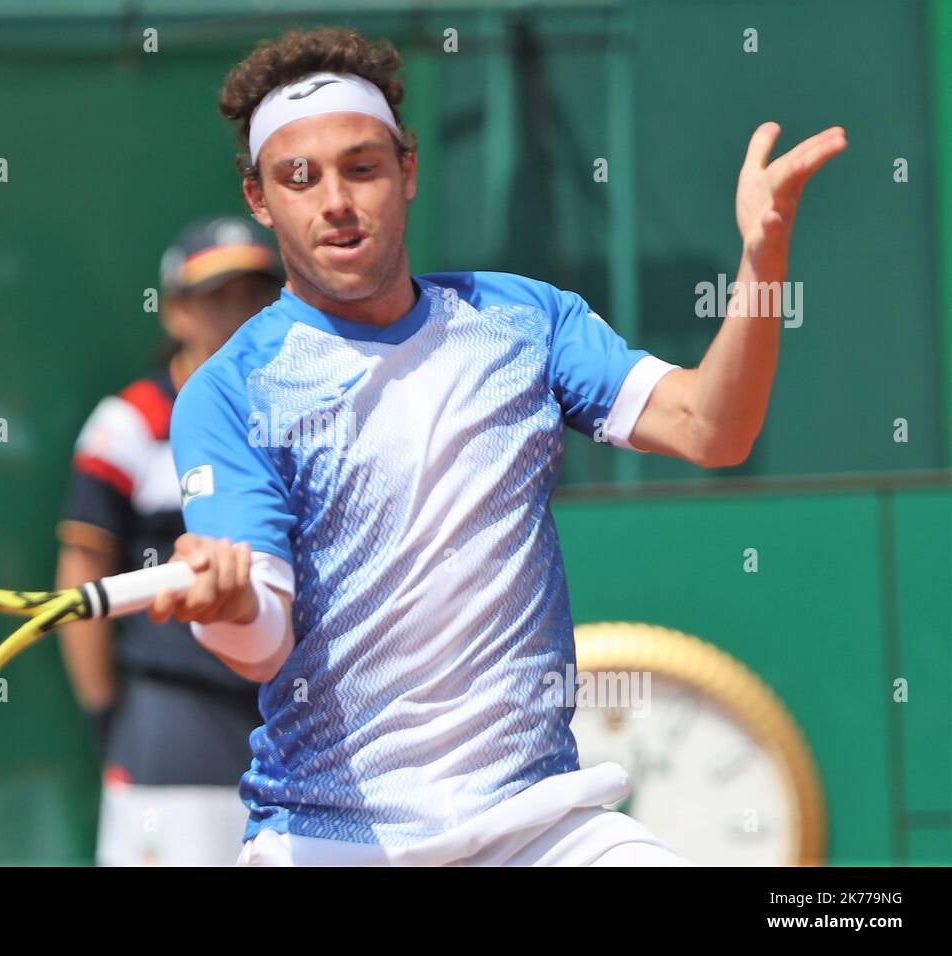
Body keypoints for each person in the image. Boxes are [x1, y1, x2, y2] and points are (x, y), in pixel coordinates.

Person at [148, 27, 846, 866]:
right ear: (260, 198)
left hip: (539, 826)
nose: (334, 199)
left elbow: (713, 427)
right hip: (332, 840)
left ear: (407, 172)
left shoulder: (522, 321)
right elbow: (262, 640)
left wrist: (762, 265)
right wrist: (226, 605)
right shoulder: (231, 390)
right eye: (300, 176)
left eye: (362, 167)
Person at [55, 216, 284, 865]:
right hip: (176, 726)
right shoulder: (128, 423)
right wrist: (107, 715)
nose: (239, 314)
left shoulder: (306, 414)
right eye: (218, 297)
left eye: (254, 295)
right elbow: (82, 571)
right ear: (176, 313)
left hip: (300, 726)